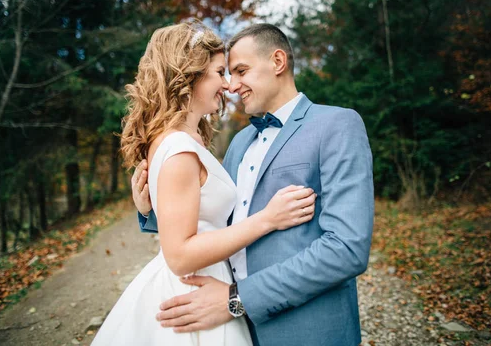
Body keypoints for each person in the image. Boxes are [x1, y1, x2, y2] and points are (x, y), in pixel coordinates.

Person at [135, 23, 374, 346]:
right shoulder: (240, 142)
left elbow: (346, 249)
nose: (232, 86)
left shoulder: (337, 125)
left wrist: (238, 299)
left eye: (241, 71)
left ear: (278, 62)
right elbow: (211, 218)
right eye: (227, 74)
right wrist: (150, 211)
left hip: (308, 329)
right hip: (238, 331)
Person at [90, 22, 316, 346]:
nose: (227, 84)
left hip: (212, 280)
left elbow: (197, 214)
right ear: (190, 75)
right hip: (194, 287)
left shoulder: (189, 139)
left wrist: (148, 210)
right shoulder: (179, 148)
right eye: (219, 72)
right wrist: (268, 219)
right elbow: (179, 254)